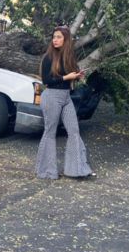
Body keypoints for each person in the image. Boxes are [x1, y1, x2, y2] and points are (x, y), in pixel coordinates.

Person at [36, 25, 96, 180]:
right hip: (51, 97)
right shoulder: (48, 57)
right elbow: (46, 80)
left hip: (66, 97)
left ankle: (77, 169)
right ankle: (47, 171)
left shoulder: (69, 57)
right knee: (50, 132)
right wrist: (66, 78)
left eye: (59, 37)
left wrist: (77, 76)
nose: (55, 40)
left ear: (66, 40)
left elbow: (71, 75)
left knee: (74, 131)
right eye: (54, 37)